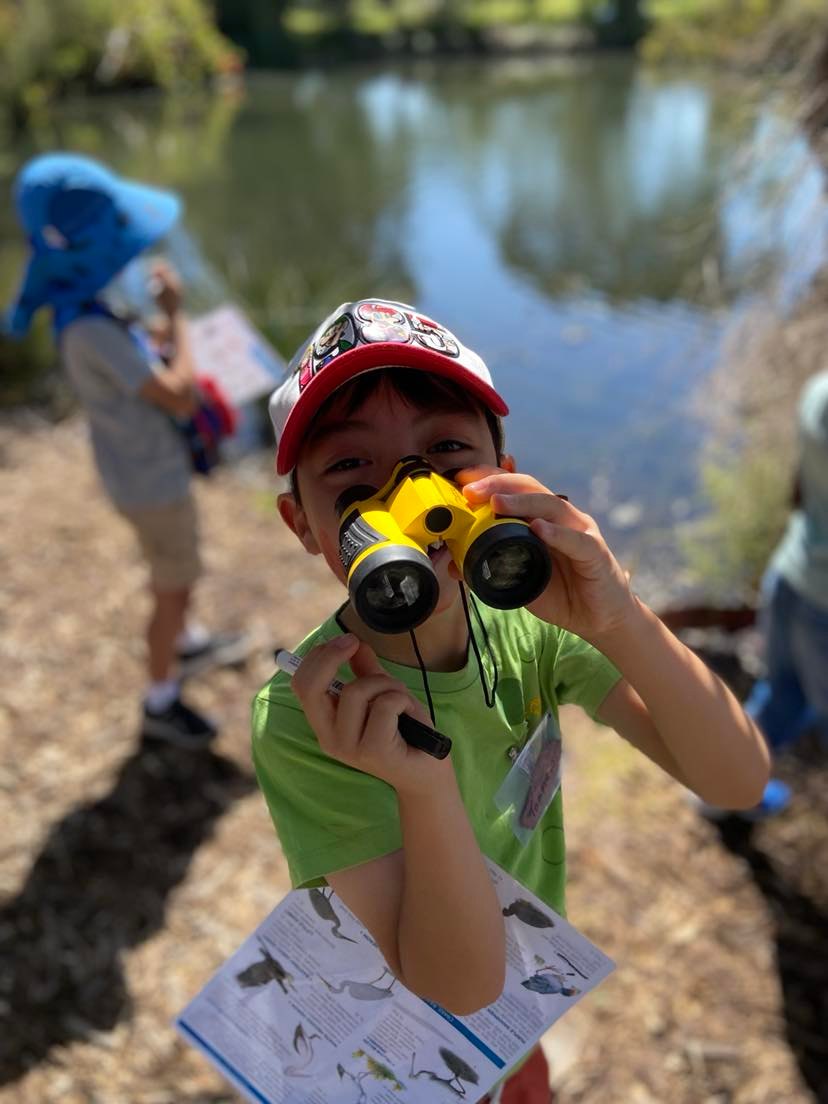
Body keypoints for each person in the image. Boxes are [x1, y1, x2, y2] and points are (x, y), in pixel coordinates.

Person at [252, 298, 770, 1101]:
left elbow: (736, 780)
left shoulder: (532, 627)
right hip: (402, 1041)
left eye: (446, 453)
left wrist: (621, 617)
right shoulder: (307, 718)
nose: (410, 498)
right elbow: (454, 990)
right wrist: (419, 782)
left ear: (505, 470)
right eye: (352, 473)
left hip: (514, 1014)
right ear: (303, 525)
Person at [5, 152, 247, 748]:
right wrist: (178, 319)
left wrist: (158, 333)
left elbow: (130, 363)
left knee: (176, 576)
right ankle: (160, 700)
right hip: (152, 484)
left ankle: (186, 642)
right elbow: (181, 398)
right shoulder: (90, 329)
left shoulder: (84, 313)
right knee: (171, 584)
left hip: (137, 474)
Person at [704, 368, 828, 821]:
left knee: (778, 694)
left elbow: (799, 489)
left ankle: (721, 792)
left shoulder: (818, 391)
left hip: (791, 573)